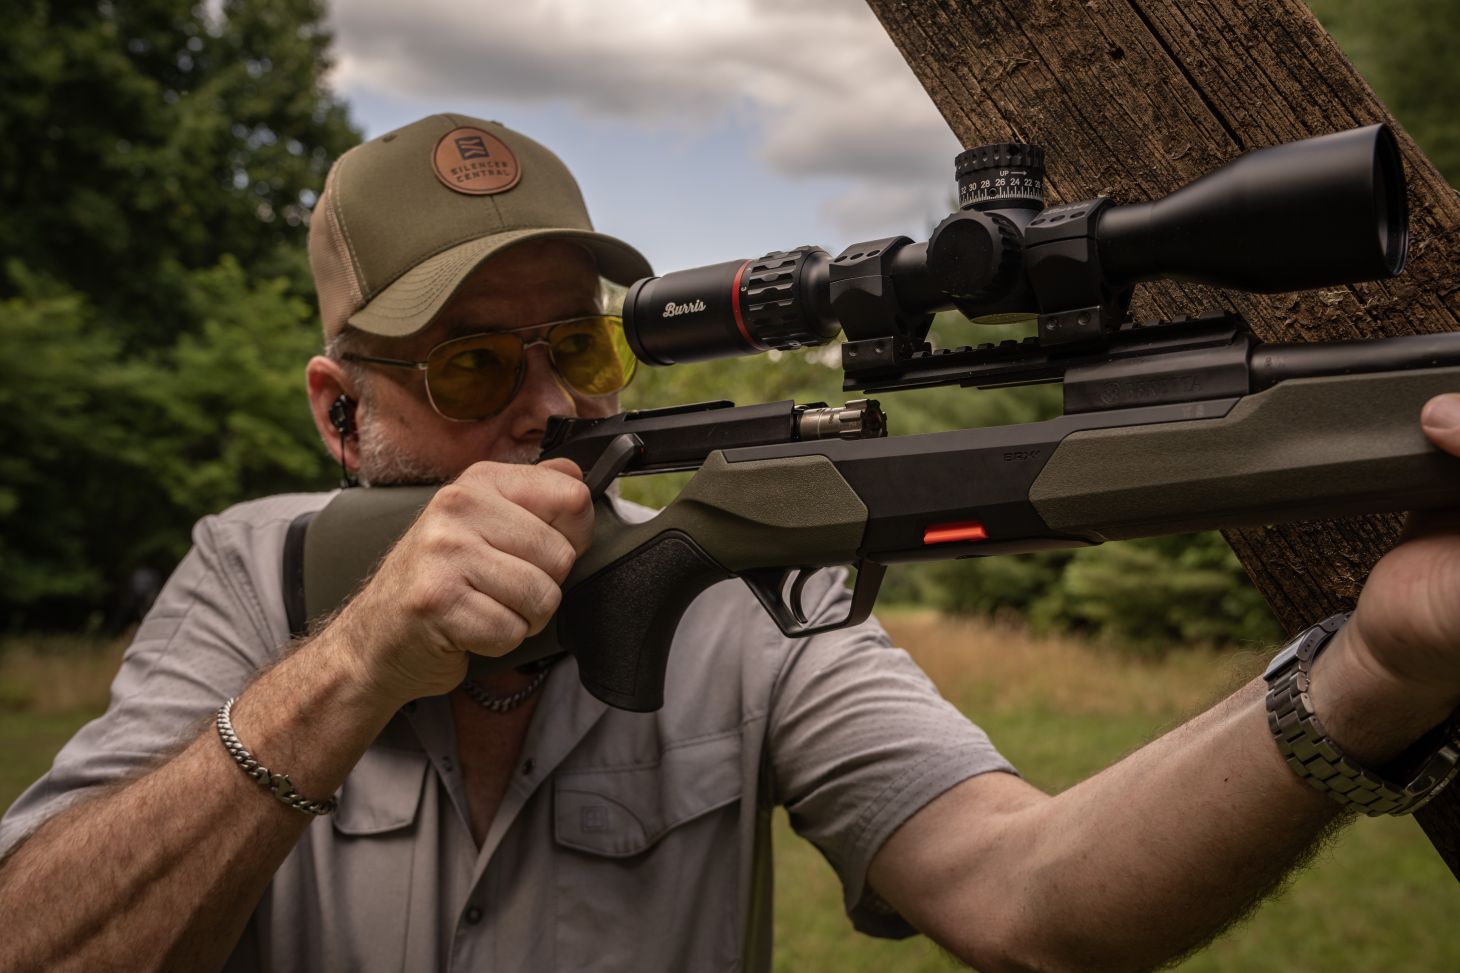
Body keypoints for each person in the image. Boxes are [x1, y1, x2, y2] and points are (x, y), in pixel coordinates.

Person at [1, 112, 1458, 973]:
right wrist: (352, 670)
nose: (547, 406)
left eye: (580, 345)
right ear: (341, 413)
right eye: (468, 368)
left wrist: (1378, 669)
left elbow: (1033, 895)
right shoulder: (255, 575)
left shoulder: (740, 581)